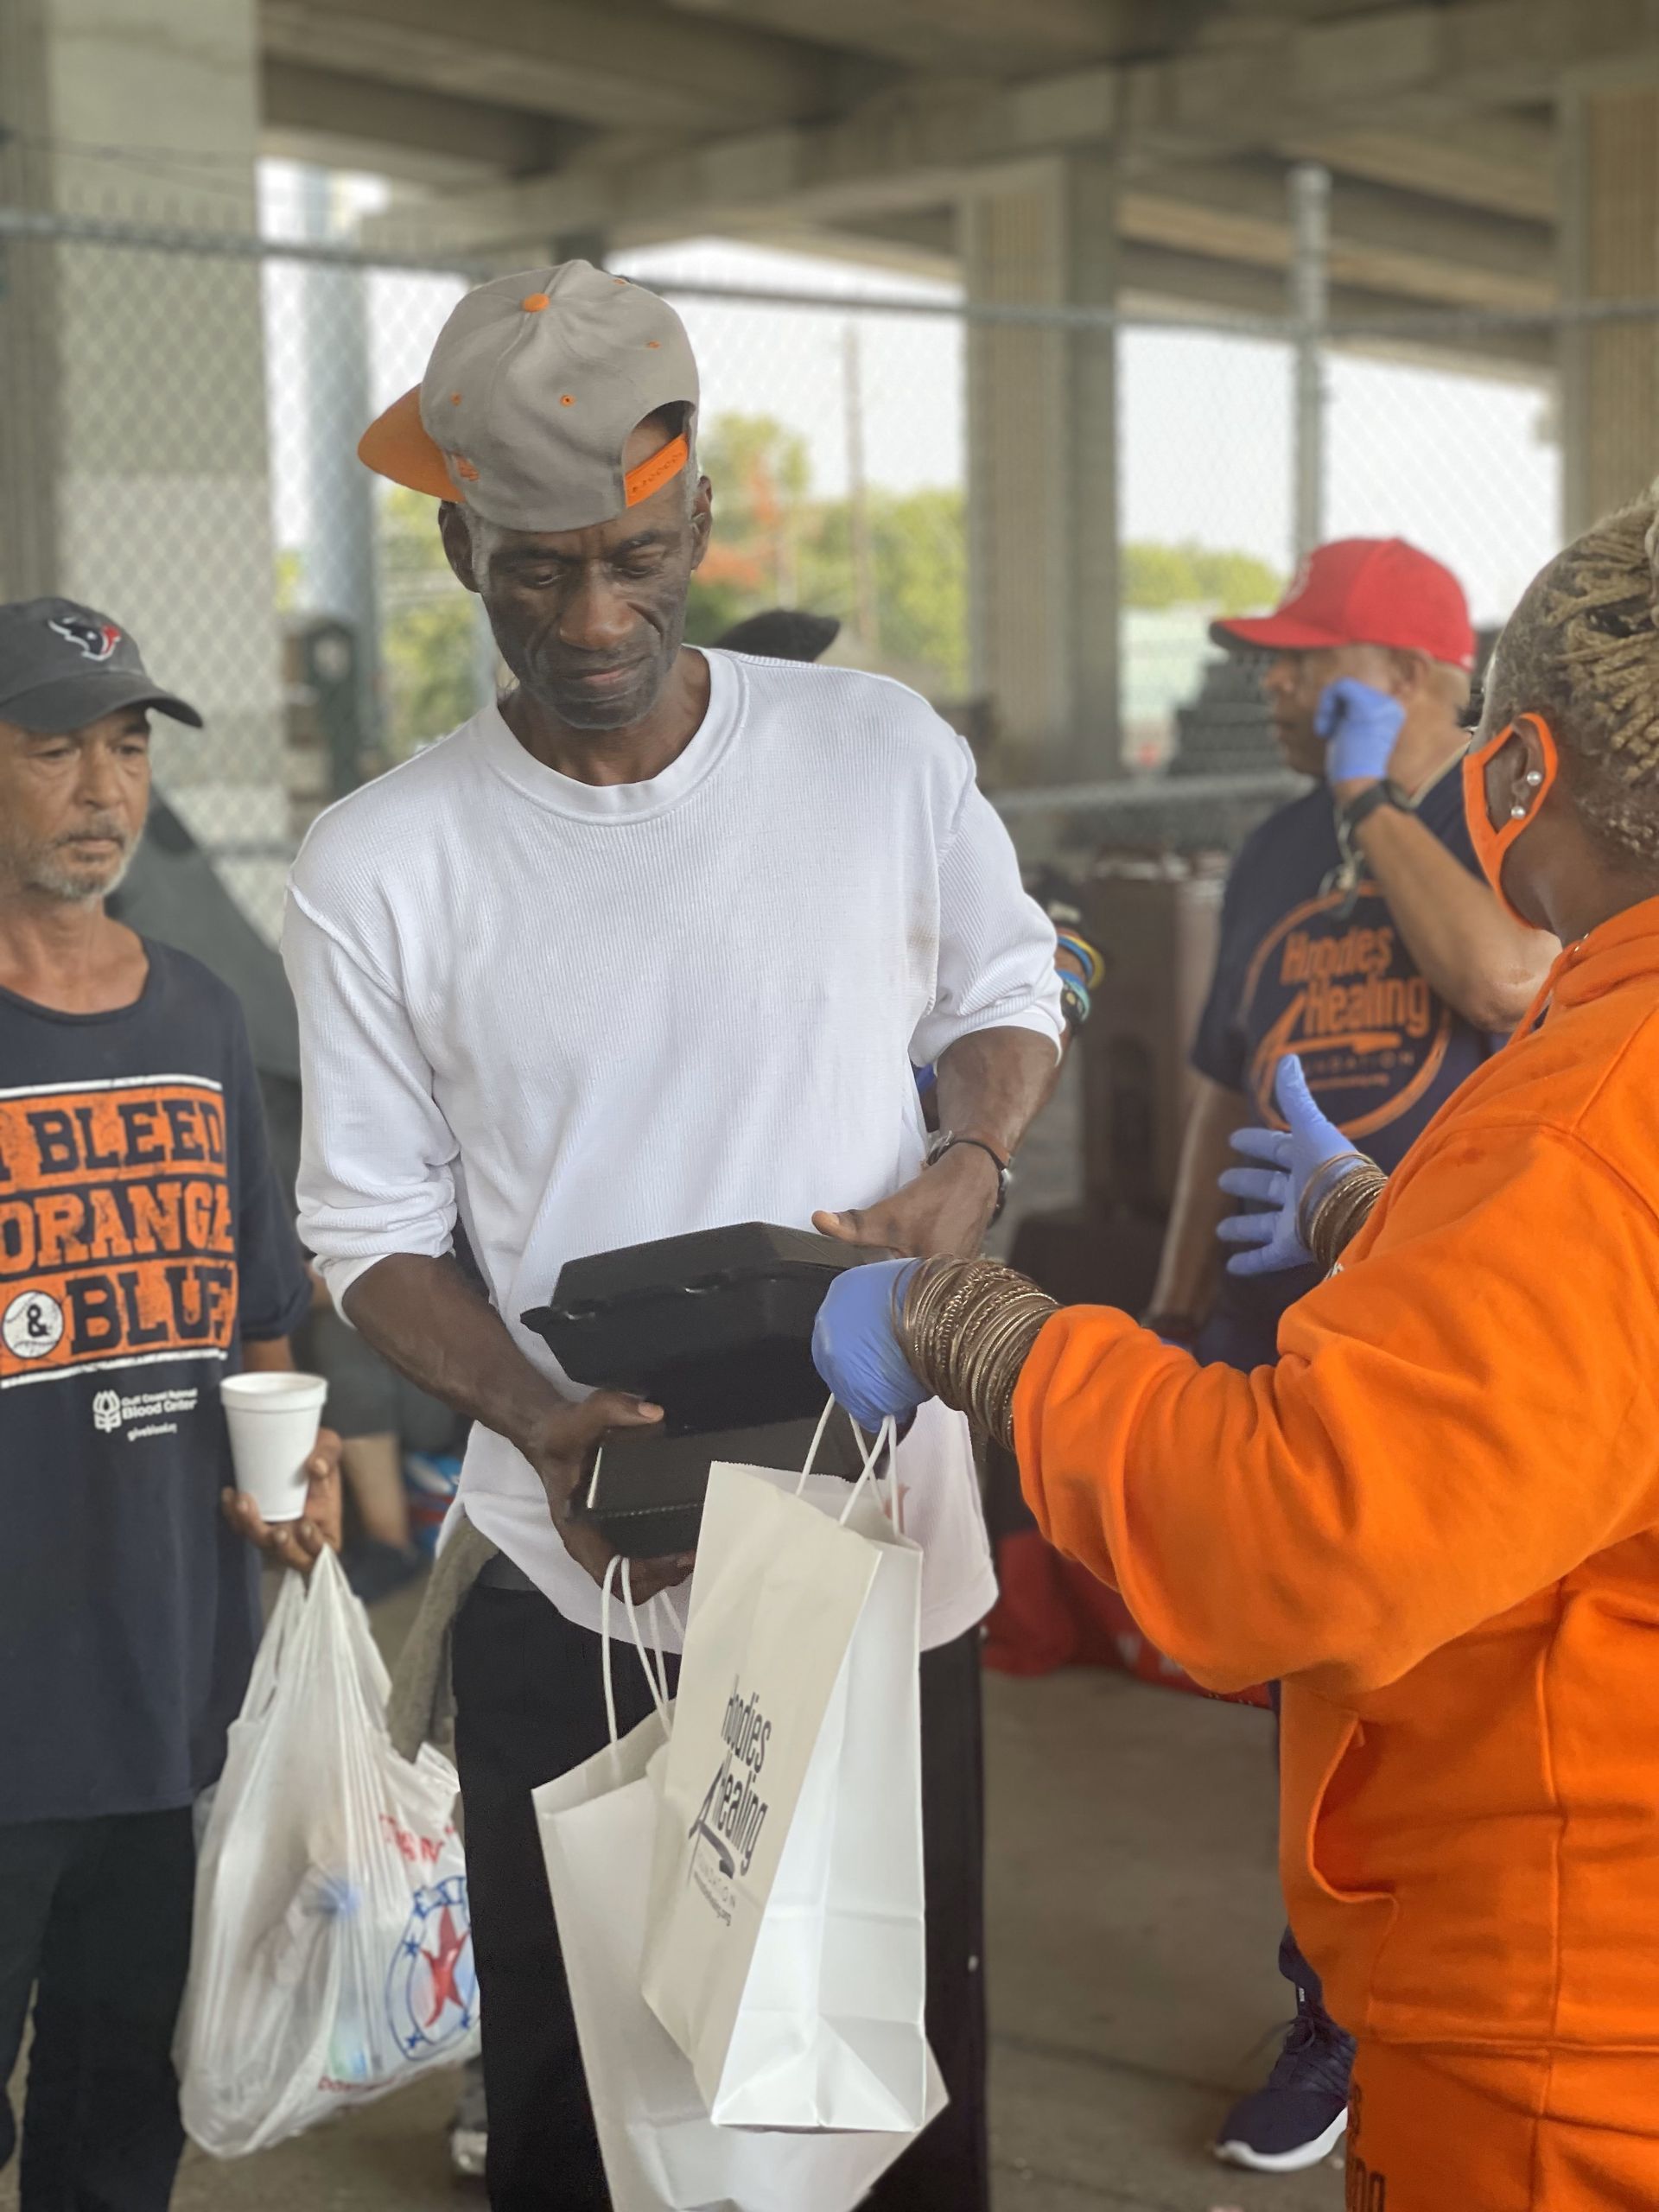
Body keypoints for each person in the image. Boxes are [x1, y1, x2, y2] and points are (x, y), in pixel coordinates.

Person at [283, 261, 1064, 2212]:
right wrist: (536, 1416)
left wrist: (964, 1166)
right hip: (587, 1569)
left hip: (878, 1546)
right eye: (536, 570)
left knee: (884, 2096)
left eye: (637, 557)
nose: (594, 619)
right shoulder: (385, 861)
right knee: (595, 2110)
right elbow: (369, 1230)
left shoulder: (874, 750)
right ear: (460, 541)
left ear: (702, 519)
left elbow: (1004, 984)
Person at [813, 484, 1659, 2210]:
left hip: (1574, 2046)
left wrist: (982, 1329)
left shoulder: (1592, 1118)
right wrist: (1392, 1228)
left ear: (1519, 770)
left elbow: (1310, 1531)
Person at [1137, 537, 1554, 2172]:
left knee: (1466, 1701)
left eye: (1316, 661)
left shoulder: (1519, 832)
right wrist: (1179, 1305)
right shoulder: (1265, 853)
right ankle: (1331, 2013)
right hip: (1273, 1340)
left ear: (1425, 678)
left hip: (1444, 1344)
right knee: (1315, 1706)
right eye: (1280, 660)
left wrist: (1384, 811)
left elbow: (1508, 985)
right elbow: (1224, 1091)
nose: (1282, 687)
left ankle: (1463, 2020)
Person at [0, 599, 342, 2211]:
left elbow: (259, 1314)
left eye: (126, 748)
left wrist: (295, 1466)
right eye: (53, 744)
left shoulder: (201, 1017)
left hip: (164, 1687)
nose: (102, 787)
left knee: (121, 2112)